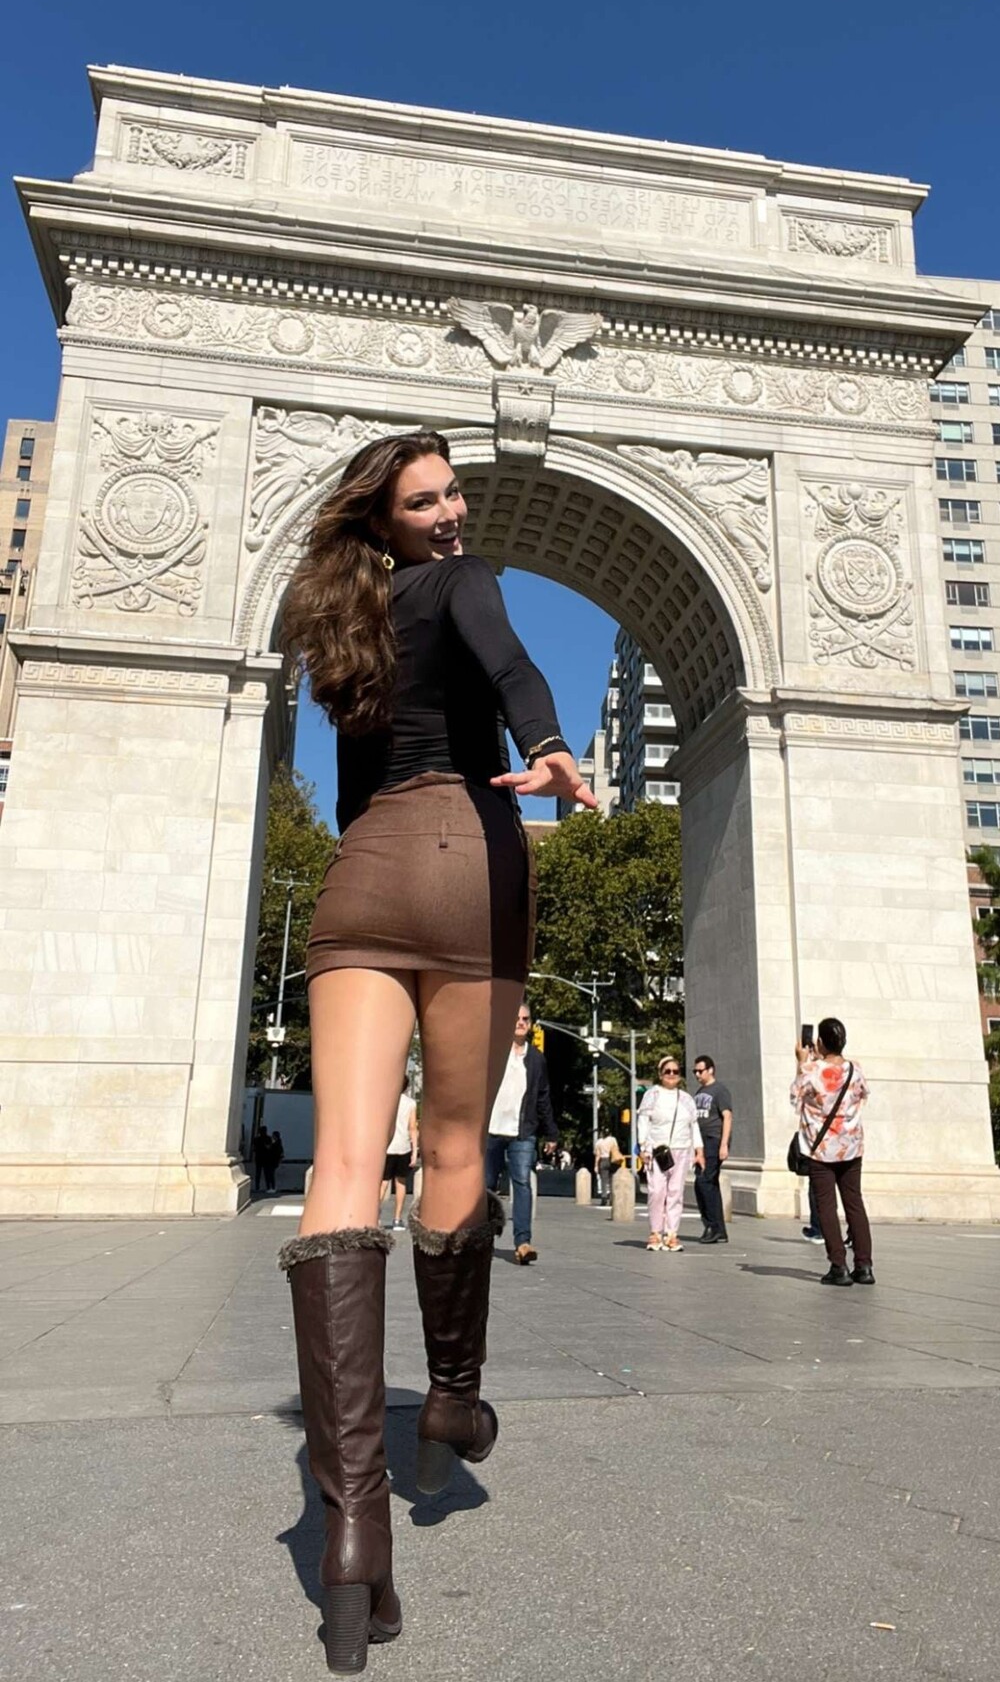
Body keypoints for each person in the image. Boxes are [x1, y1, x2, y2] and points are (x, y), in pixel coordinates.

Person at [275, 430, 595, 1671]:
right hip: (472, 857)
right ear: (388, 519)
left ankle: (350, 1528)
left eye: (454, 492)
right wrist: (550, 748)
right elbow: (510, 664)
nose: (454, 512)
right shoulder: (467, 580)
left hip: (364, 871)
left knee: (345, 1164)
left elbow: (356, 785)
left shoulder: (340, 622)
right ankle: (451, 1397)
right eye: (427, 501)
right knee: (456, 1145)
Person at [791, 1017, 873, 1287]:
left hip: (822, 1149)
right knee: (854, 1203)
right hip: (851, 1145)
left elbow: (795, 1098)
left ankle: (839, 1265)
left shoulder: (811, 1070)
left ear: (820, 1043)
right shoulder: (855, 1069)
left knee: (826, 1205)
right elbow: (863, 1096)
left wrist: (801, 1062)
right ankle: (864, 1265)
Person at [486, 1000, 558, 1264]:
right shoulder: (494, 1052)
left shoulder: (536, 1059)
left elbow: (543, 1097)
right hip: (491, 1129)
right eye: (516, 1018)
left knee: (522, 1183)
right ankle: (484, 1237)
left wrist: (551, 1133)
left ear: (531, 1024)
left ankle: (523, 1242)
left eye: (525, 1019)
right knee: (487, 1186)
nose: (520, 1022)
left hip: (523, 1131)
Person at [637, 1056, 704, 1252]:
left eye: (676, 1071)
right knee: (657, 1191)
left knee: (675, 1192)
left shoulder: (686, 1098)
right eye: (668, 1071)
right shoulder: (652, 1095)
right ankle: (655, 1232)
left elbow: (694, 1125)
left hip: (682, 1148)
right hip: (658, 1150)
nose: (672, 1075)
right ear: (660, 1074)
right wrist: (643, 1146)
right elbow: (643, 1121)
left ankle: (672, 1233)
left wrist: (699, 1150)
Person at [692, 1055, 732, 1244]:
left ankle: (712, 1226)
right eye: (695, 1071)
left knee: (704, 1181)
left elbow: (727, 1117)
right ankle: (719, 1230)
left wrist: (724, 1144)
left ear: (710, 1070)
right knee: (708, 1184)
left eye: (700, 1071)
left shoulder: (720, 1090)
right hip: (701, 1142)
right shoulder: (699, 1091)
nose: (697, 1074)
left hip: (713, 1140)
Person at [380, 1076, 419, 1230]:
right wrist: (414, 1152)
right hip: (403, 1147)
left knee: (383, 1183)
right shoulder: (410, 1103)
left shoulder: (384, 1101)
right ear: (407, 1087)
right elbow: (412, 1128)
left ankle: (374, 1216)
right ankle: (397, 1219)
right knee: (401, 1183)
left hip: (387, 1147)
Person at [593, 1126, 622, 1204]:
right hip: (612, 1160)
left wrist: (596, 1165)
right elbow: (616, 1149)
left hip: (603, 1160)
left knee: (604, 1180)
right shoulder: (613, 1140)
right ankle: (612, 1198)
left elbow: (597, 1155)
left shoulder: (599, 1142)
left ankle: (604, 1197)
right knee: (612, 1179)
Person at [252, 1124, 272, 1194]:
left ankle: (257, 1187)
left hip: (258, 1157)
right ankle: (268, 1187)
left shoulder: (256, 1139)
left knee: (258, 1173)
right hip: (266, 1158)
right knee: (267, 1173)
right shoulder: (268, 1138)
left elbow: (254, 1149)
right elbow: (270, 1148)